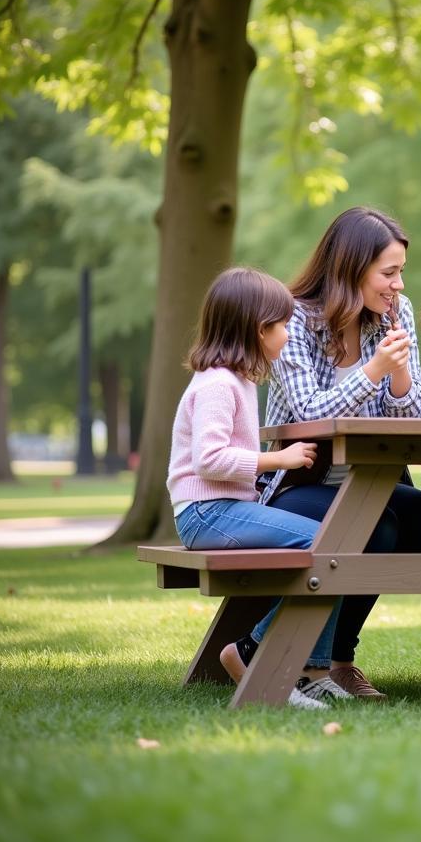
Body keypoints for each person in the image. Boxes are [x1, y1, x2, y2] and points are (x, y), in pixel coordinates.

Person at [220, 208, 421, 700]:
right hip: (299, 479)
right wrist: (373, 369)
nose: (398, 284)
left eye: (401, 272)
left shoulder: (397, 312)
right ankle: (298, 659)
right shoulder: (293, 318)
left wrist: (400, 372)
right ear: (350, 268)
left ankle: (333, 662)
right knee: (373, 527)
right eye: (388, 273)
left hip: (372, 475)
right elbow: (307, 410)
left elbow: (409, 416)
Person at [167, 266, 339, 711]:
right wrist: (277, 458)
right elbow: (210, 459)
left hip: (220, 510)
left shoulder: (237, 381)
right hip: (207, 514)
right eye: (282, 325)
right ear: (258, 329)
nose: (287, 333)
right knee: (331, 551)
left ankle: (279, 661)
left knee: (337, 546)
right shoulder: (219, 384)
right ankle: (258, 656)